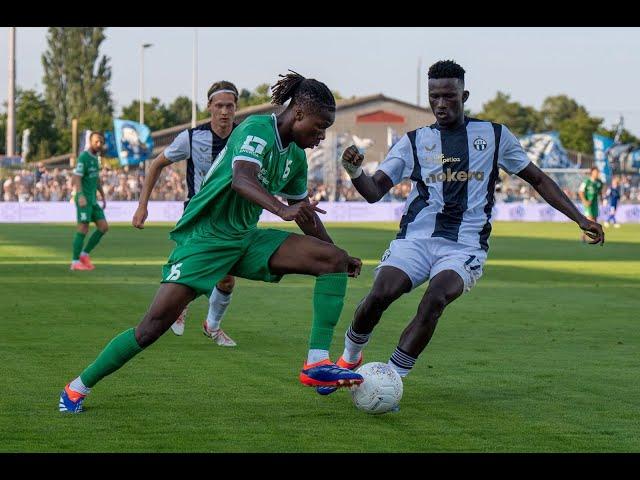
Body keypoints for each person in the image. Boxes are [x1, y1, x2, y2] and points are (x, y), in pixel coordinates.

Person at [59, 70, 364, 413]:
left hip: (244, 239)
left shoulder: (294, 157)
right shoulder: (256, 129)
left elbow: (305, 214)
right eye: (320, 127)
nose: (322, 136)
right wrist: (281, 209)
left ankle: (316, 362)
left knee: (331, 260)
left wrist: (340, 252)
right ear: (298, 114)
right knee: (151, 328)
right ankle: (76, 387)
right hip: (204, 240)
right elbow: (241, 179)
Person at [317, 59, 605, 398]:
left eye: (449, 97)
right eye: (434, 97)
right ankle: (349, 360)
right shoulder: (414, 142)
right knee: (381, 293)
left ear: (463, 95)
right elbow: (373, 192)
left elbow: (538, 178)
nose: (440, 104)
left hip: (465, 246)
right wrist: (354, 171)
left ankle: (390, 381)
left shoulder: (494, 136)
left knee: (434, 300)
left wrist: (581, 218)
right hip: (417, 239)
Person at [132, 81, 240, 346]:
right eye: (219, 106)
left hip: (231, 218)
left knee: (227, 279)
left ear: (236, 108)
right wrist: (142, 205)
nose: (224, 111)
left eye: (230, 106)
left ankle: (212, 325)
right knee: (186, 270)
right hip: (197, 214)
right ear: (209, 107)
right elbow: (157, 164)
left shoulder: (245, 137)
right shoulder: (191, 137)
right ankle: (179, 307)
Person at [70, 132, 109, 271]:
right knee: (83, 228)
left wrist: (103, 196)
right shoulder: (84, 157)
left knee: (103, 227)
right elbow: (77, 177)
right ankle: (75, 262)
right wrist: (80, 194)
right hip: (84, 199)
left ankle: (84, 255)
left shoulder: (96, 158)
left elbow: (96, 179)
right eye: (96, 141)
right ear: (90, 142)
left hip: (93, 200)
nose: (99, 144)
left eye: (101, 142)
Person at [578, 167, 604, 241]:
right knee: (590, 219)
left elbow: (600, 192)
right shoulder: (586, 182)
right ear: (592, 173)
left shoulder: (599, 182)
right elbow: (580, 191)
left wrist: (601, 199)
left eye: (597, 172)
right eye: (595, 172)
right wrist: (584, 201)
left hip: (595, 204)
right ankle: (590, 236)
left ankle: (584, 235)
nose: (597, 174)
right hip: (588, 204)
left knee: (594, 220)